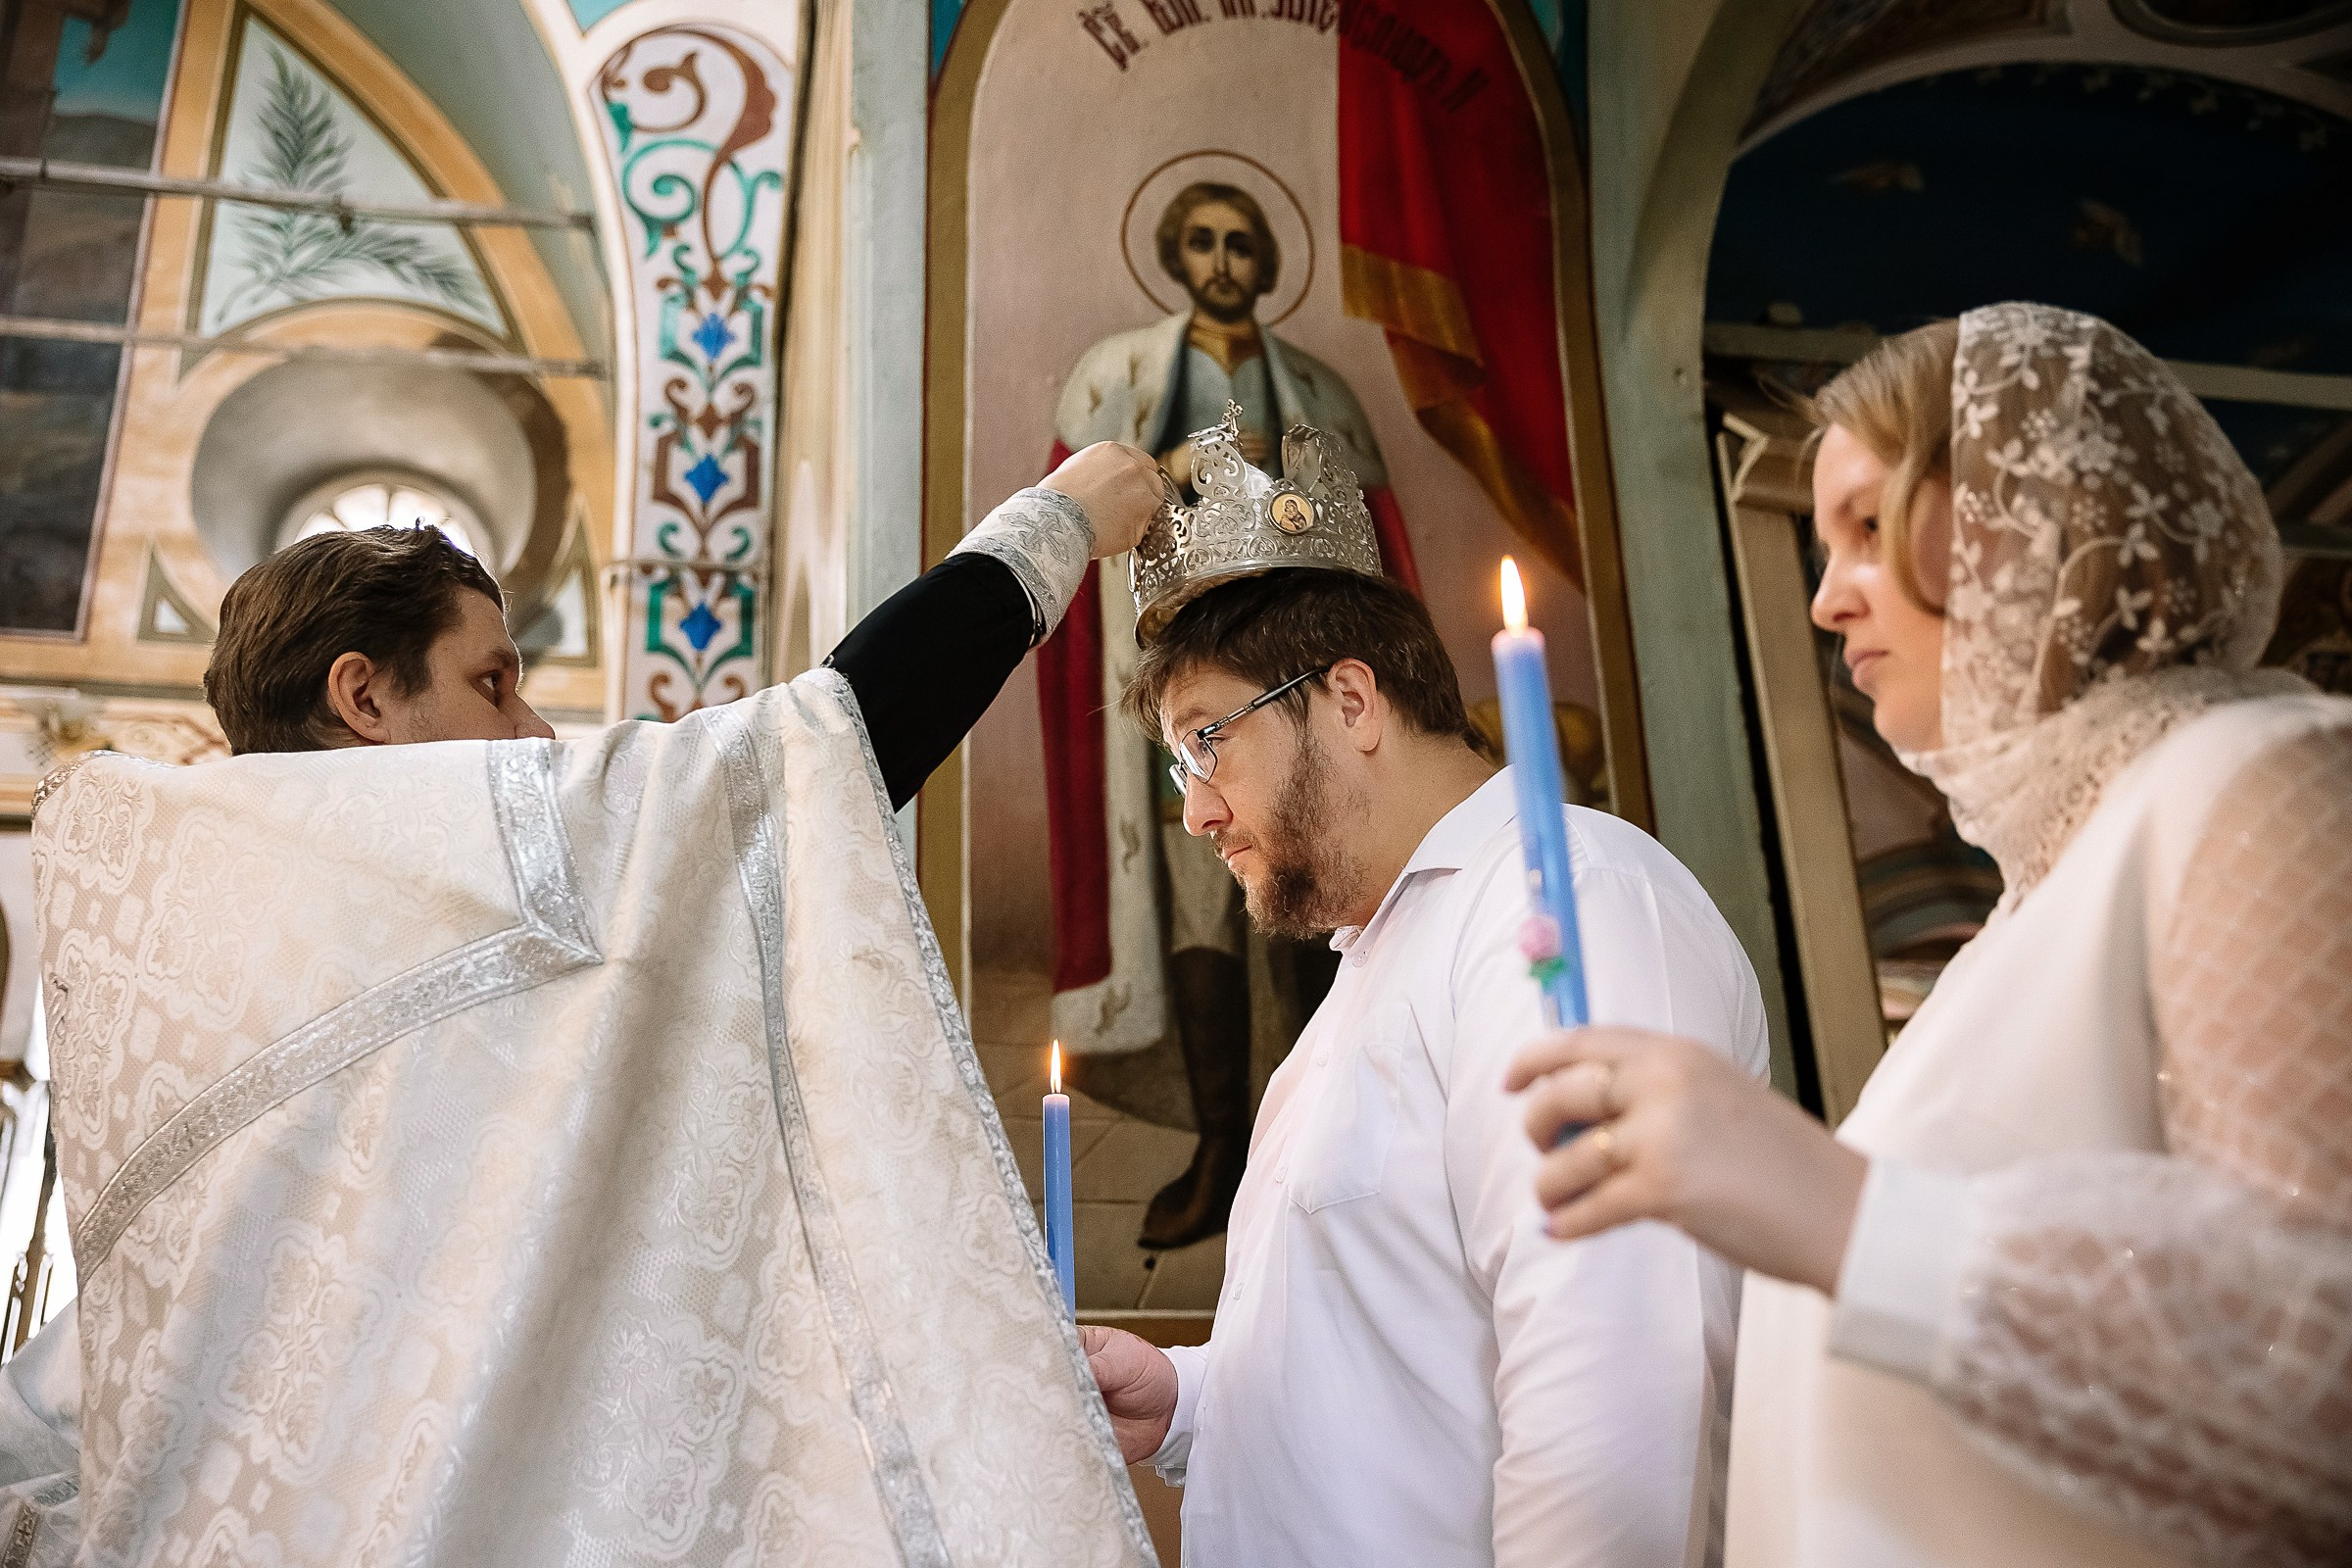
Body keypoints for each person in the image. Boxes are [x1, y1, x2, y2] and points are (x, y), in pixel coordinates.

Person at [22, 445, 1168, 1565]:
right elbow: (815, 750)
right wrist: (1058, 519)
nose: (534, 734)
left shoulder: (171, 963)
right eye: (491, 682)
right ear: (363, 695)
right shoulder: (462, 862)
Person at [1505, 304, 2352, 1567]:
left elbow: (2322, 1366)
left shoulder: (2258, 773)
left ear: (2048, 522)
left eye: (1866, 527)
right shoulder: (2019, 919)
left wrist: (1840, 1211)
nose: (1827, 601)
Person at [1079, 563, 1771, 1567]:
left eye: (1206, 740)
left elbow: (1614, 1376)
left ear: (1351, 700)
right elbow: (1397, 1348)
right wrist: (1192, 1401)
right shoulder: (1375, 963)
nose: (1196, 812)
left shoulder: (1561, 905)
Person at [1036, 179, 1418, 1250]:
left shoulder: (1321, 394)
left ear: (1263, 260)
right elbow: (1067, 530)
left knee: (1318, 892)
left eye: (1239, 243)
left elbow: (1380, 558)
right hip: (1184, 687)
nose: (1220, 260)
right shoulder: (1118, 377)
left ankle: (1324, 1132)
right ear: (1173, 254)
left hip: (1301, 697)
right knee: (1204, 916)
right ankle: (1223, 1146)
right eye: (1200, 241)